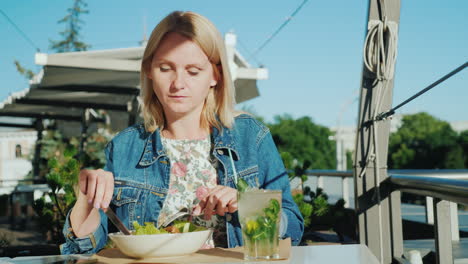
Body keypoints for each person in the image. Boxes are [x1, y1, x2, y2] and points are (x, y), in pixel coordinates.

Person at [61, 10, 303, 254]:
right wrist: (86, 199)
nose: (178, 83)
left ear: (215, 75)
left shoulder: (251, 137)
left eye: (193, 71)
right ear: (149, 71)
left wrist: (249, 204)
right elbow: (82, 248)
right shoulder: (125, 146)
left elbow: (293, 229)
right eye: (165, 68)